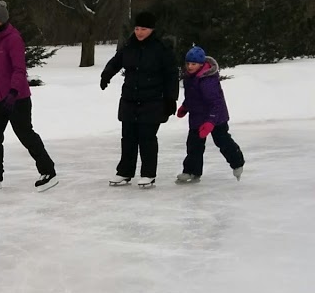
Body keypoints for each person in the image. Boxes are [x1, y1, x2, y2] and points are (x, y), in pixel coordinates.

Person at [0, 0, 57, 190]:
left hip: (17, 98)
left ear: (0, 21)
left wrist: (13, 92)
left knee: (25, 135)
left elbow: (19, 69)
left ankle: (49, 171)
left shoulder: (13, 39)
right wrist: (0, 93)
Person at [99, 10, 179, 187]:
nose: (139, 32)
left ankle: (148, 173)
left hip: (152, 101)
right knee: (127, 138)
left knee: (147, 138)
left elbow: (171, 74)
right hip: (129, 99)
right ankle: (124, 172)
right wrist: (106, 75)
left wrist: (171, 99)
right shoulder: (129, 46)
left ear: (151, 29)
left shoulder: (161, 49)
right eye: (136, 28)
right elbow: (116, 61)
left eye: (143, 28)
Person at [175, 46, 245, 184]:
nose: (189, 66)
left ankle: (237, 162)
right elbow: (193, 97)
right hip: (197, 116)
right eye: (188, 63)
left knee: (222, 141)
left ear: (201, 64)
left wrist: (210, 122)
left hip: (216, 117)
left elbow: (216, 103)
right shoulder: (190, 77)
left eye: (193, 64)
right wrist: (185, 106)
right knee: (194, 144)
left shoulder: (208, 80)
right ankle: (192, 171)